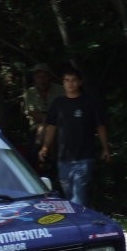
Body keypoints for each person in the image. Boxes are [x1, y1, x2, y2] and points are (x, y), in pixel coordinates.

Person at [38, 67, 110, 207]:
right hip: (63, 159)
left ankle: (80, 226)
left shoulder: (89, 102)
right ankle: (82, 222)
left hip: (84, 157)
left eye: (73, 80)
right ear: (63, 83)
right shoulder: (58, 103)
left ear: (80, 82)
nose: (70, 84)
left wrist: (105, 148)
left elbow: (100, 126)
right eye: (67, 80)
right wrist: (45, 147)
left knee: (79, 196)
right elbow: (51, 127)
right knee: (70, 196)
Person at [23, 63, 64, 171]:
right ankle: (39, 161)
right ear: (34, 78)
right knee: (42, 130)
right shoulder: (30, 93)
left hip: (59, 124)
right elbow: (34, 114)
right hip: (37, 128)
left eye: (44, 76)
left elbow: (66, 110)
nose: (42, 80)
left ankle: (49, 163)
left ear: (50, 77)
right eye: (38, 77)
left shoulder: (60, 90)